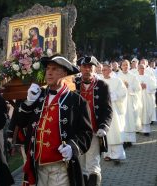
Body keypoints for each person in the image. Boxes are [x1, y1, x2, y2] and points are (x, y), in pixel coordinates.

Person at [16, 54, 93, 186]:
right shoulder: (37, 96)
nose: (49, 73)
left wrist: (72, 147)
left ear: (64, 73)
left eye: (55, 69)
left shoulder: (77, 101)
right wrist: (28, 103)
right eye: (48, 69)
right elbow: (21, 122)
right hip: (37, 165)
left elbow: (86, 133)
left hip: (61, 167)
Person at [75, 56, 113, 186]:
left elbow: (108, 109)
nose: (87, 70)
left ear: (94, 68)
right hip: (77, 133)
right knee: (80, 166)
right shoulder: (73, 84)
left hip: (94, 131)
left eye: (90, 67)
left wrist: (104, 126)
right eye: (84, 67)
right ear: (80, 68)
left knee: (93, 166)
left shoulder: (102, 85)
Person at [101, 63, 127, 163]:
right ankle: (107, 154)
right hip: (103, 110)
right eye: (103, 70)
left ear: (110, 71)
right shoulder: (100, 81)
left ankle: (117, 155)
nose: (104, 72)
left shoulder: (117, 81)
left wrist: (112, 95)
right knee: (106, 131)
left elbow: (123, 93)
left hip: (114, 110)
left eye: (106, 70)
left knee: (115, 131)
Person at [117, 59, 142, 146]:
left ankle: (130, 140)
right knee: (122, 120)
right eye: (123, 65)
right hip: (121, 102)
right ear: (121, 66)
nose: (125, 66)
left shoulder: (133, 76)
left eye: (127, 65)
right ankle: (123, 139)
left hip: (130, 100)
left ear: (129, 66)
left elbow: (138, 88)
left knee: (130, 119)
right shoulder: (117, 76)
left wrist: (129, 87)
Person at [136, 64, 157, 135]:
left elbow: (154, 86)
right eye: (140, 68)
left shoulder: (149, 77)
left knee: (146, 113)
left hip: (146, 99)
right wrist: (139, 87)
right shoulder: (135, 78)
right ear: (137, 69)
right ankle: (138, 128)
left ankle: (146, 130)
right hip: (138, 98)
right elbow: (132, 88)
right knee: (138, 113)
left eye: (143, 68)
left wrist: (147, 86)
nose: (142, 69)